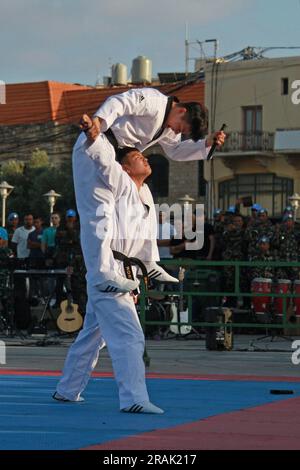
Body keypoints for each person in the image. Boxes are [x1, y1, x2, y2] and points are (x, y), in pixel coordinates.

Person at [54, 141, 165, 413]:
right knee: (130, 335)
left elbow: (145, 240)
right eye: (139, 157)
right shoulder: (119, 183)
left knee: (93, 335)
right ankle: (133, 399)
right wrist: (94, 139)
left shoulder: (146, 193)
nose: (146, 159)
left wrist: (140, 275)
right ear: (125, 168)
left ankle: (68, 390)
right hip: (107, 269)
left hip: (125, 272)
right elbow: (105, 162)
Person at [79, 87, 225, 290]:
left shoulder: (168, 127)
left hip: (120, 160)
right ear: (181, 111)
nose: (176, 132)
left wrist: (206, 144)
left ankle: (147, 260)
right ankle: (101, 273)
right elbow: (120, 102)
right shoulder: (154, 100)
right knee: (99, 212)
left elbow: (175, 151)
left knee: (145, 202)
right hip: (96, 144)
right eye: (180, 129)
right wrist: (99, 122)